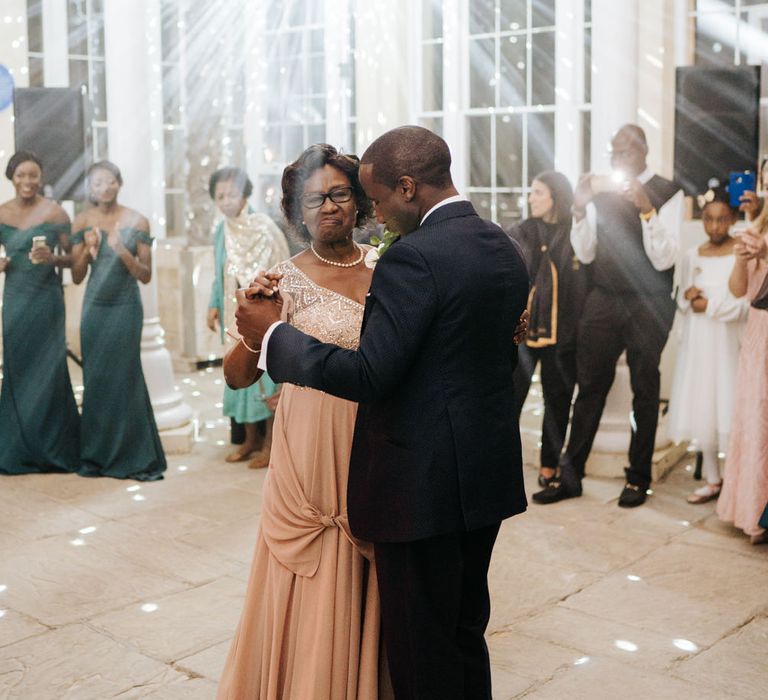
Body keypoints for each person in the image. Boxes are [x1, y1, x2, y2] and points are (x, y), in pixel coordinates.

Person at [231, 127, 530, 700]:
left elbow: (371, 373)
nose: (377, 214)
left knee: (423, 652)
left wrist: (276, 338)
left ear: (409, 187)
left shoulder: (410, 258)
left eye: (375, 198)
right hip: (481, 477)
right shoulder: (501, 245)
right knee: (466, 632)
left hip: (420, 480)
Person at [216, 145, 388, 699]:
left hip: (377, 439)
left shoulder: (389, 268)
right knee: (310, 565)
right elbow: (237, 377)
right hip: (308, 449)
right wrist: (253, 324)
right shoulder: (280, 280)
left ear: (359, 200)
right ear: (296, 210)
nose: (329, 206)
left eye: (339, 193)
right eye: (313, 198)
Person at [534, 124, 684, 508]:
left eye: (626, 152)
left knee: (645, 390)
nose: (618, 160)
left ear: (644, 151)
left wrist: (646, 208)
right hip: (603, 298)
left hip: (649, 302)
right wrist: (581, 208)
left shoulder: (668, 192)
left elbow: (666, 258)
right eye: (614, 153)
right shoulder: (602, 194)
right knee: (589, 388)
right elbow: (584, 253)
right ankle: (571, 476)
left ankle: (638, 479)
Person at [70, 161, 166, 481]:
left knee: (125, 378)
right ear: (91, 188)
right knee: (96, 379)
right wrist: (88, 250)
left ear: (119, 183)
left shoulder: (138, 220)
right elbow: (77, 274)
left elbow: (146, 275)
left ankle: (135, 456)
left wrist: (121, 250)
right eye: (97, 183)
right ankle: (97, 457)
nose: (105, 187)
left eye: (110, 181)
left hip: (125, 307)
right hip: (95, 308)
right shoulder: (82, 221)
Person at [666, 187, 748, 503]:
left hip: (728, 343)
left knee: (729, 404)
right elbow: (684, 299)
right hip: (700, 343)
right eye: (709, 220)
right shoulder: (691, 256)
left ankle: (737, 479)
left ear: (732, 219)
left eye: (722, 219)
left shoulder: (740, 254)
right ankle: (713, 478)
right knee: (704, 407)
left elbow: (742, 304)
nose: (715, 227)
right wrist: (690, 302)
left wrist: (708, 304)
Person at [0, 151, 80, 474]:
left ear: (41, 178)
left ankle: (55, 449)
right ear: (11, 177)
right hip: (16, 299)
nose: (27, 182)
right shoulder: (2, 213)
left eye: (33, 175)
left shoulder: (56, 213)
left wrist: (53, 258)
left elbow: (75, 260)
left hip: (47, 300)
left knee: (50, 369)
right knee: (17, 368)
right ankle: (15, 449)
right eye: (21, 175)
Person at [207, 167, 289, 468]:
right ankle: (249, 440)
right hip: (232, 313)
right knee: (238, 374)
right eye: (220, 195)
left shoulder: (263, 226)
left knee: (264, 377)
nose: (226, 200)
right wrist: (213, 304)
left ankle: (269, 444)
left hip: (260, 313)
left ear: (244, 193)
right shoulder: (221, 230)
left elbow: (280, 269)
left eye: (231, 193)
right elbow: (218, 272)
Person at [510, 171, 589, 488]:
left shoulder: (576, 233)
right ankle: (499, 462)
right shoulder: (521, 231)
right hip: (522, 331)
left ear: (556, 195)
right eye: (531, 192)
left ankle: (548, 466)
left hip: (564, 331)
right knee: (510, 397)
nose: (531, 198)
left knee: (557, 401)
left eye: (538, 192)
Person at [716, 200, 768, 545]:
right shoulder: (757, 229)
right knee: (757, 420)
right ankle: (756, 511)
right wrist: (742, 258)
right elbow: (738, 290)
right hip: (759, 335)